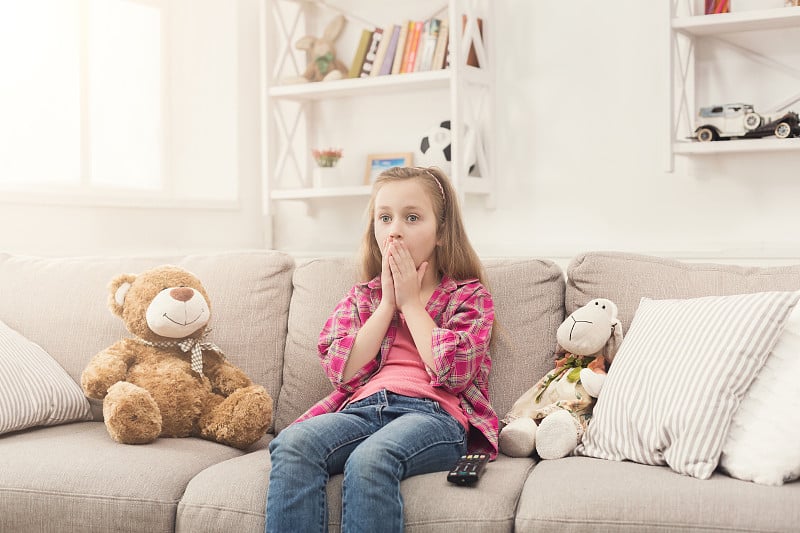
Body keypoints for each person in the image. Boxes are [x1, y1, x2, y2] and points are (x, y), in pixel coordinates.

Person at [265, 166, 497, 533]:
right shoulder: (364, 296)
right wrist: (387, 304)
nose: (395, 229)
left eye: (412, 217)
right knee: (294, 444)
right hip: (364, 408)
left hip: (434, 416)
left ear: (441, 232)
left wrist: (411, 304)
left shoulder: (469, 296)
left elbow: (453, 372)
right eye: (384, 217)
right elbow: (341, 371)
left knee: (371, 459)